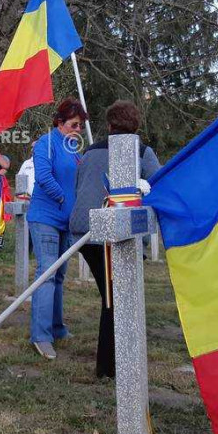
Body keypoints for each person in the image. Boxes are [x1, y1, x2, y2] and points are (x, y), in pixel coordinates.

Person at [68, 100, 160, 378]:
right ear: (136, 125)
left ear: (109, 125)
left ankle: (112, 363)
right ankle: (108, 367)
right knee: (115, 300)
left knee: (112, 298)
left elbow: (79, 186)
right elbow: (159, 184)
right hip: (113, 234)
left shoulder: (89, 152)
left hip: (85, 230)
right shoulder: (142, 152)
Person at [28, 97, 88, 359]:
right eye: (74, 125)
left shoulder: (74, 149)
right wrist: (63, 199)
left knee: (59, 275)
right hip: (46, 217)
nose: (78, 129)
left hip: (66, 221)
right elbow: (44, 177)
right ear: (60, 123)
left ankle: (56, 327)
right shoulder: (46, 143)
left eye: (81, 126)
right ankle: (41, 336)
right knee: (47, 273)